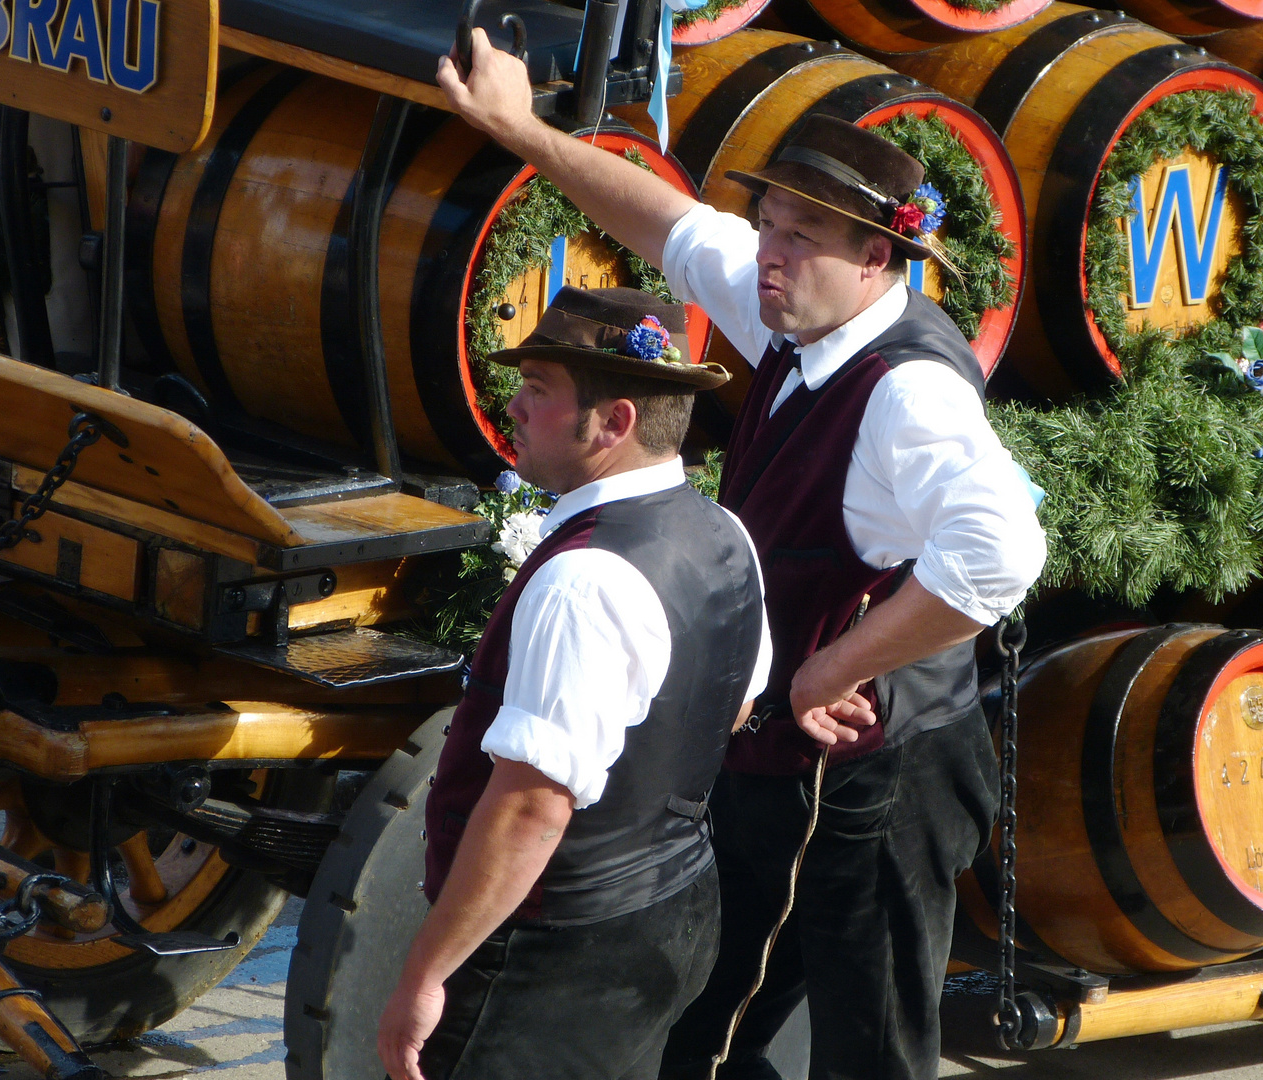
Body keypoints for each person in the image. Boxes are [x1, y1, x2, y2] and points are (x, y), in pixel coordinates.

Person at [435, 33, 1046, 1080]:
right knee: (707, 1034)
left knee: (867, 1053)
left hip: (877, 771)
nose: (768, 251)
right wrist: (519, 129)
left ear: (874, 258)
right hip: (786, 764)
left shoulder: (907, 389)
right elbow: (665, 222)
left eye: (800, 236)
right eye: (768, 224)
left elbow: (1001, 555)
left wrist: (829, 670)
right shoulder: (796, 316)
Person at [377, 286, 788, 1080]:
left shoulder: (585, 578)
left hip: (557, 954)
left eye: (538, 389)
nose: (514, 406)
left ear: (615, 421)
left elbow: (531, 805)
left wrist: (424, 976)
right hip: (675, 909)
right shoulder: (721, 528)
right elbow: (732, 702)